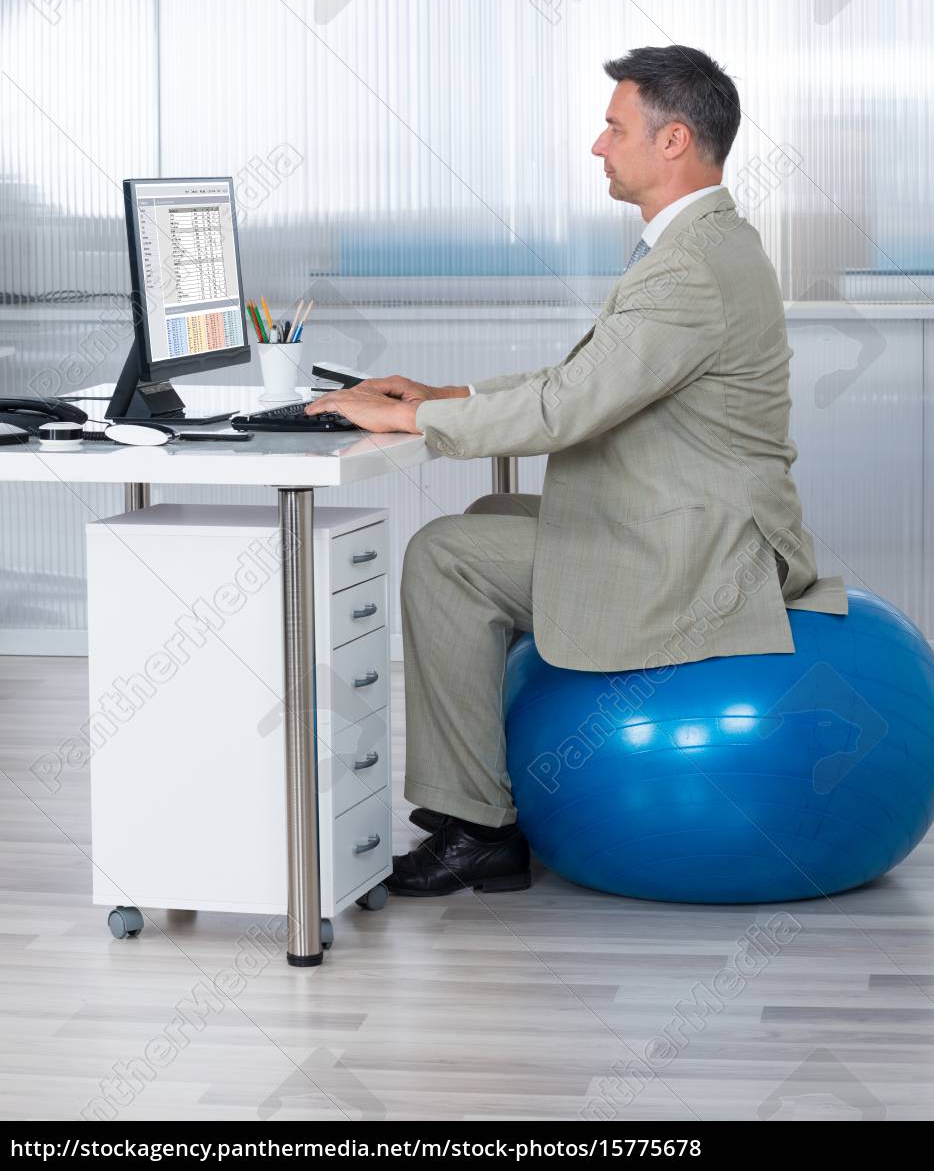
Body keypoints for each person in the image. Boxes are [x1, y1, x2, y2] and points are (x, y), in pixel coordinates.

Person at [304, 44, 847, 898]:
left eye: (613, 126)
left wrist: (412, 418)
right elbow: (586, 383)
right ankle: (488, 788)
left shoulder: (689, 268)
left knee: (445, 556)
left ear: (673, 141)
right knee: (488, 517)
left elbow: (568, 410)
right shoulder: (702, 243)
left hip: (702, 558)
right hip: (692, 520)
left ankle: (479, 825)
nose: (599, 146)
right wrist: (451, 393)